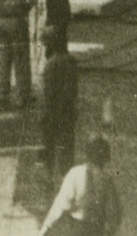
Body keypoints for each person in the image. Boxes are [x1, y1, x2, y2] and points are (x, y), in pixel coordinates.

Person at [38, 134, 123, 235]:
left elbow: (60, 205)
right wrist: (109, 232)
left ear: (87, 154)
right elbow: (115, 213)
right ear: (105, 158)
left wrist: (45, 228)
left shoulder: (75, 173)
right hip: (96, 229)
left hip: (76, 229)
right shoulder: (107, 180)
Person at [40, 26, 79, 182]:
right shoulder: (71, 61)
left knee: (48, 143)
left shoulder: (51, 64)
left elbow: (48, 93)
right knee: (67, 146)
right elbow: (73, 90)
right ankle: (66, 176)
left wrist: (43, 114)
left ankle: (49, 175)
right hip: (68, 110)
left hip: (53, 110)